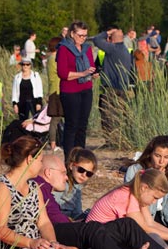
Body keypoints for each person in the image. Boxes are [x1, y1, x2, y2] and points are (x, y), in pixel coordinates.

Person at [0, 135, 149, 249]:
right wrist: (31, 243)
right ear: (30, 159)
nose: (42, 165)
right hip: (14, 248)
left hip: (37, 245)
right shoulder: (2, 187)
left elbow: (44, 223)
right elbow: (0, 229)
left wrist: (53, 242)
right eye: (40, 160)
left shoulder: (33, 187)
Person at [35, 155, 168, 249]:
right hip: (82, 238)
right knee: (97, 227)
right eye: (64, 172)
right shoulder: (38, 186)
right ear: (48, 172)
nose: (66, 176)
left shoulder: (44, 190)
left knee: (126, 224)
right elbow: (47, 224)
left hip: (82, 233)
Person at [125, 136, 168, 231]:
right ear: (150, 154)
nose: (161, 162)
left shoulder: (166, 172)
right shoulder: (135, 171)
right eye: (157, 156)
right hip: (141, 219)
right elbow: (135, 203)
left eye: (166, 157)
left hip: (159, 217)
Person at [56, 21, 96, 158]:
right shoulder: (63, 48)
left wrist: (93, 73)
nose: (83, 38)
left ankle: (80, 156)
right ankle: (69, 157)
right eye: (80, 35)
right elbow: (62, 73)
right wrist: (82, 73)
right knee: (72, 124)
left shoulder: (87, 48)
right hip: (70, 91)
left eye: (85, 36)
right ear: (72, 34)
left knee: (82, 125)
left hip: (86, 89)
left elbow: (91, 66)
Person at [92, 26, 133, 136]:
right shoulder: (125, 50)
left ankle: (111, 140)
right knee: (120, 114)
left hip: (111, 88)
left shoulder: (112, 48)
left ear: (112, 39)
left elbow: (96, 40)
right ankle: (120, 138)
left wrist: (108, 32)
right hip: (123, 87)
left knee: (107, 115)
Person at [52, 147, 96, 221]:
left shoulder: (77, 188)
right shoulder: (62, 183)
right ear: (71, 166)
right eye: (81, 170)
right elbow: (52, 206)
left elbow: (77, 212)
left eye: (89, 174)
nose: (84, 175)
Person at [46, 37, 63, 153]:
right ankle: (53, 144)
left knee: (56, 119)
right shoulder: (54, 58)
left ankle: (55, 142)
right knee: (55, 119)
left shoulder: (51, 58)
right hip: (57, 91)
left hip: (54, 90)